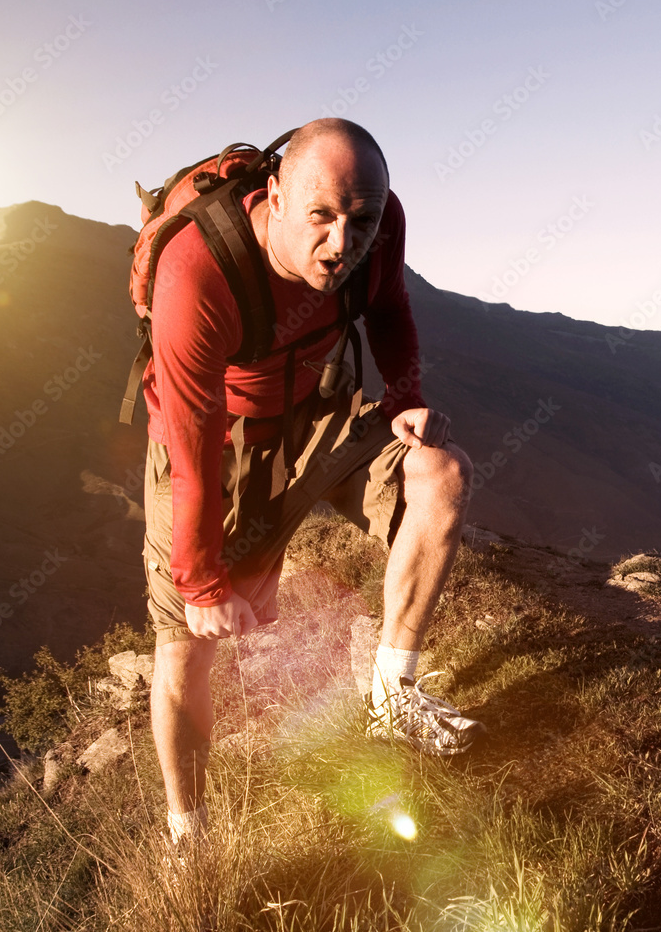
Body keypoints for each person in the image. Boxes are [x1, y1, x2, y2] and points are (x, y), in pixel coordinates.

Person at [141, 118, 483, 850]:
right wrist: (202, 581)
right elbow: (194, 438)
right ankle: (187, 835)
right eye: (321, 217)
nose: (342, 241)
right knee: (182, 643)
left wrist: (403, 397)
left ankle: (394, 694)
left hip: (315, 403)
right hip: (213, 431)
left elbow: (389, 308)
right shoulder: (198, 270)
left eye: (359, 219)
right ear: (274, 196)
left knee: (442, 475)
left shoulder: (378, 219)